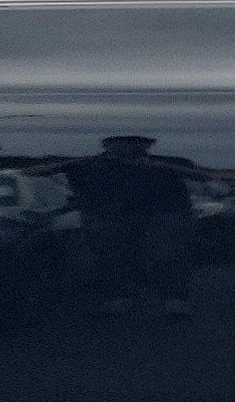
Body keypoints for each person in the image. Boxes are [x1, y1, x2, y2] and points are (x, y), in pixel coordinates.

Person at [65, 134, 198, 319]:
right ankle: (118, 297)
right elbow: (78, 186)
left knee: (167, 256)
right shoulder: (91, 165)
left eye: (135, 142)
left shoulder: (165, 163)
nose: (129, 146)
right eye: (123, 142)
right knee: (114, 256)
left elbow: (199, 174)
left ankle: (175, 299)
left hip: (161, 214)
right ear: (107, 145)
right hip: (115, 216)